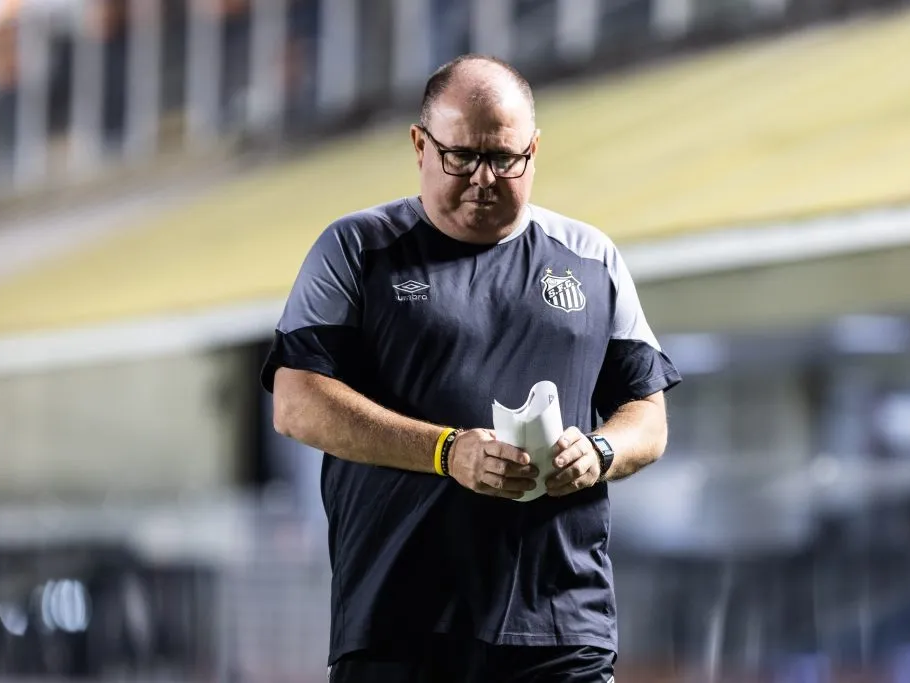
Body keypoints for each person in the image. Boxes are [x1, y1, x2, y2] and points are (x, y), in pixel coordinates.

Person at [262, 54, 681, 683]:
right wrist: (447, 451)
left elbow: (648, 417)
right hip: (399, 620)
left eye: (505, 158)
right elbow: (297, 403)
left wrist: (598, 450)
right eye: (462, 156)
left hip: (563, 623)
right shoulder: (357, 250)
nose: (484, 177)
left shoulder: (592, 258)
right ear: (420, 146)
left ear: (534, 149)